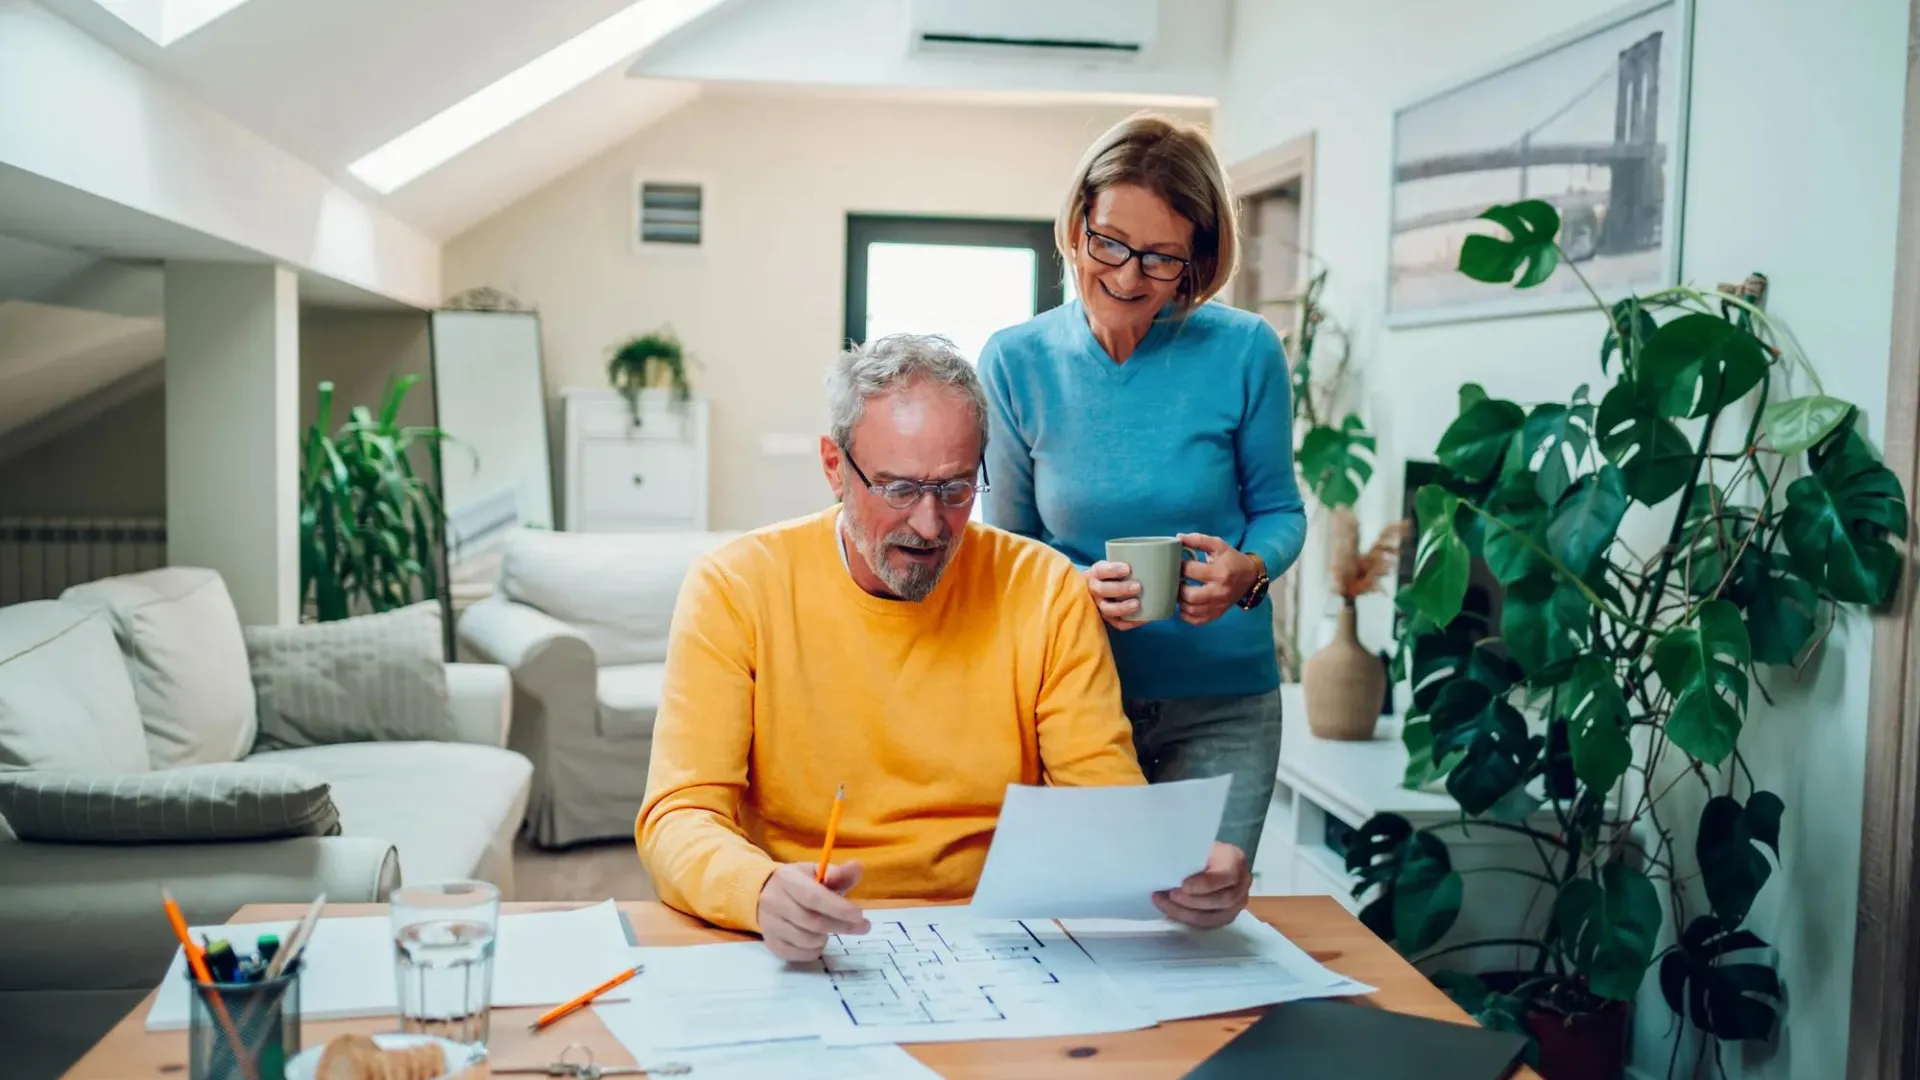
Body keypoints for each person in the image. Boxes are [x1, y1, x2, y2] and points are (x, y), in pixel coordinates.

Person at [636, 333, 1253, 961]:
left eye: (956, 488)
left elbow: (1102, 802)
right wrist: (759, 889)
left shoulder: (1044, 589)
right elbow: (679, 814)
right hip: (805, 937)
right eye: (898, 489)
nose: (930, 524)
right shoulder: (735, 585)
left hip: (998, 939)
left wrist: (1179, 865)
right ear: (833, 467)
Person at [978, 113, 1307, 861]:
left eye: (1160, 259)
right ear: (1078, 223)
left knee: (1197, 915)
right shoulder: (1014, 362)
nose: (1127, 277)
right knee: (1088, 919)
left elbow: (1280, 510)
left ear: (1196, 260)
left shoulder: (1245, 350)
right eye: (1110, 244)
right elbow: (1009, 547)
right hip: (1073, 700)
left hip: (1224, 702)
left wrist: (1247, 573)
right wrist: (1074, 587)